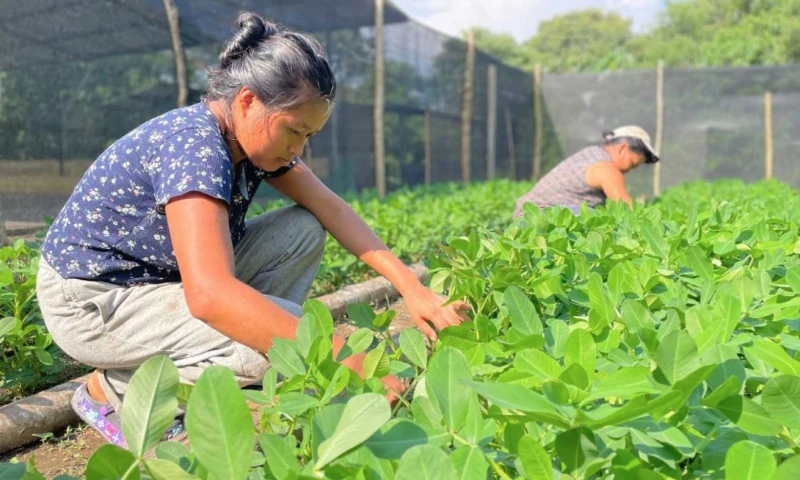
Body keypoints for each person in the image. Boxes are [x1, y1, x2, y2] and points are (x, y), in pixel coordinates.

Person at [36, 12, 469, 448]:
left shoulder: (250, 140)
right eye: (294, 130)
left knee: (302, 228)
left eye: (310, 135)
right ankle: (110, 393)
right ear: (247, 101)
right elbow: (210, 296)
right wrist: (345, 360)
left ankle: (202, 360)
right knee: (260, 349)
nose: (299, 148)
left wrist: (412, 288)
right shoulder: (194, 146)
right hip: (92, 300)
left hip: (160, 280)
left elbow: (332, 210)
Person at [514, 126, 660, 217]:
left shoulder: (591, 155)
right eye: (633, 163)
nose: (630, 170)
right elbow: (628, 210)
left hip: (526, 216)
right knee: (599, 222)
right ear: (622, 148)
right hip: (541, 215)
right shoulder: (606, 168)